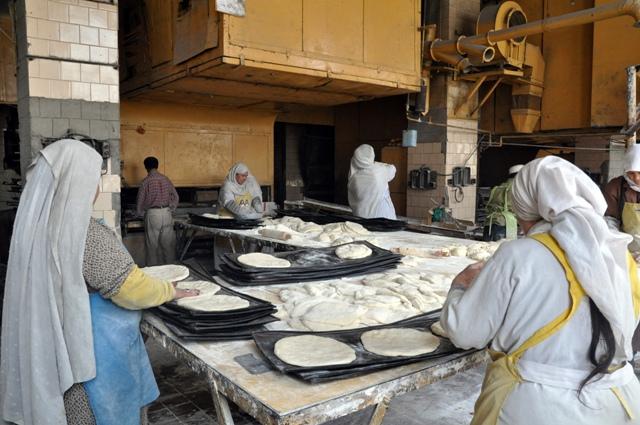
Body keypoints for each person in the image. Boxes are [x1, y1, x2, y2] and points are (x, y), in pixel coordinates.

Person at [0, 140, 198, 425]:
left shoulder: (35, 228)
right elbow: (130, 288)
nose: (97, 187)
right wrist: (171, 290)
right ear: (77, 181)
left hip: (53, 353)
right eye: (94, 179)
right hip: (95, 361)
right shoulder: (84, 234)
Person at [441, 156, 640, 425]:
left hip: (538, 408)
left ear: (527, 206)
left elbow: (465, 333)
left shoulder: (518, 255)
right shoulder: (620, 257)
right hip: (618, 404)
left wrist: (460, 286)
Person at [136, 156, 179, 266]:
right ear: (157, 166)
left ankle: (154, 273)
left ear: (146, 167)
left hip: (153, 214)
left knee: (152, 246)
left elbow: (140, 201)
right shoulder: (166, 179)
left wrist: (141, 214)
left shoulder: (146, 182)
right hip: (166, 213)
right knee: (168, 245)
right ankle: (171, 270)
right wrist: (172, 208)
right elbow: (175, 196)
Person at [348, 144, 397, 220]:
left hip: (362, 219)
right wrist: (376, 164)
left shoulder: (354, 178)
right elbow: (392, 169)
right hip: (384, 218)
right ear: (372, 156)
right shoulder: (379, 171)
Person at [482, 164, 523, 241]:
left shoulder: (498, 187)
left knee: (488, 250)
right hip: (506, 224)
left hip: (490, 222)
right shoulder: (517, 188)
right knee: (504, 250)